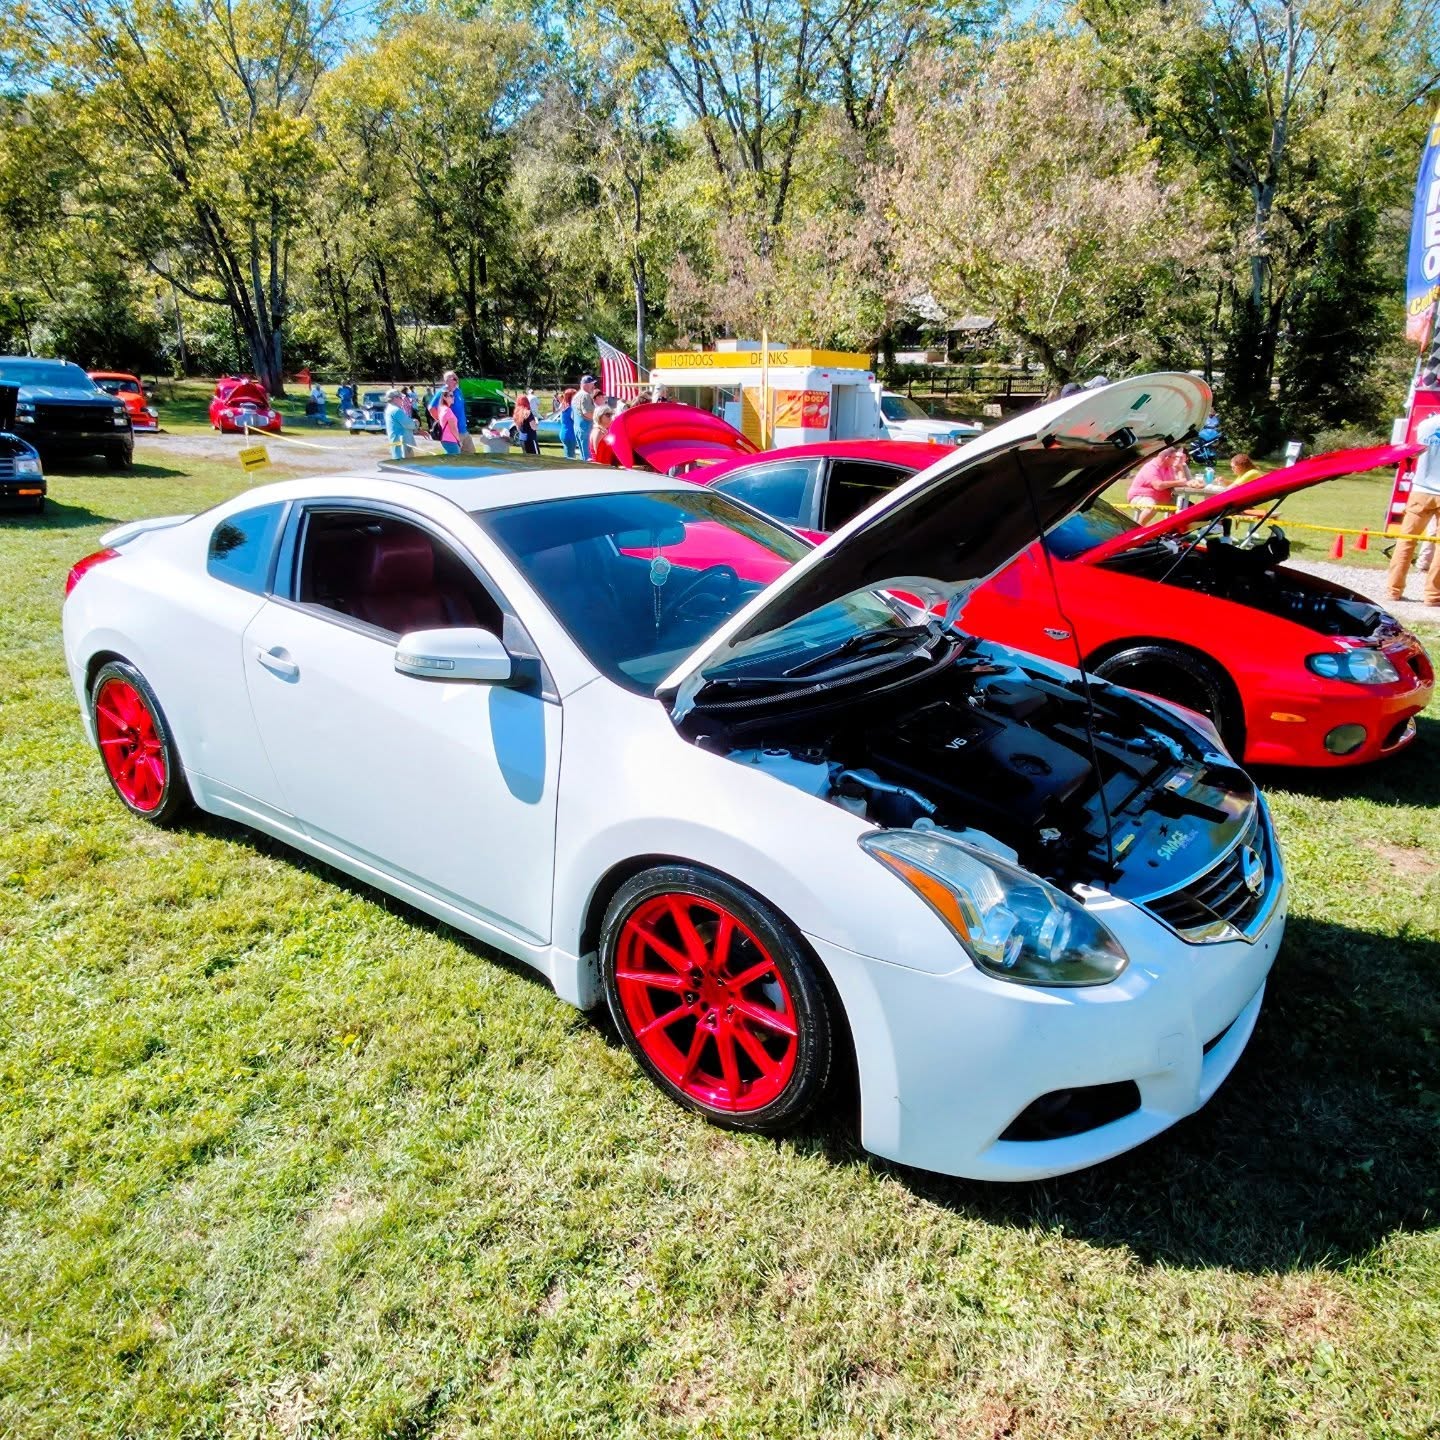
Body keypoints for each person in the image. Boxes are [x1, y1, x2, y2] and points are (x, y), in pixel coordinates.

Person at [1387, 411, 1440, 606]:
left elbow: (1415, 452)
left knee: (1406, 540)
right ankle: (1433, 596)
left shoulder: (1425, 425)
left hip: (1420, 490)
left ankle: (1393, 590)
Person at [1126, 445, 1191, 525]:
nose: (1175, 461)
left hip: (1163, 499)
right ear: (1167, 458)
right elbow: (1158, 486)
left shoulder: (1169, 467)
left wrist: (1180, 469)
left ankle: (1171, 531)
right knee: (1151, 506)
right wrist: (1180, 482)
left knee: (1186, 507)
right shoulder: (1150, 467)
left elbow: (1180, 483)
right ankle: (1137, 530)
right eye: (1174, 458)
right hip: (1141, 496)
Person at [442, 369, 475, 453]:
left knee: (471, 455)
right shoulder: (444, 392)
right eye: (452, 377)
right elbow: (432, 408)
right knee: (456, 459)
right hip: (454, 433)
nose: (455, 378)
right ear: (446, 380)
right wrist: (443, 423)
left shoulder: (458, 391)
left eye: (455, 376)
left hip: (464, 430)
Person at [384, 388, 414, 461]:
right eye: (400, 398)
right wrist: (415, 423)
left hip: (396, 441)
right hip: (402, 443)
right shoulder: (396, 410)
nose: (402, 400)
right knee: (407, 465)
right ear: (395, 398)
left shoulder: (389, 409)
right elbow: (409, 424)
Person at [574, 374, 598, 460]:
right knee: (589, 458)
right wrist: (598, 419)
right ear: (585, 385)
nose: (594, 386)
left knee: (583, 456)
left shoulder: (576, 396)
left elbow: (572, 416)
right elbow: (587, 413)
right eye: (592, 384)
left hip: (578, 429)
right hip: (586, 429)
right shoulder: (585, 395)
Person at [557, 387, 578, 459]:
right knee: (571, 457)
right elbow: (576, 420)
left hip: (564, 433)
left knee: (567, 454)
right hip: (570, 434)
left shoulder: (564, 406)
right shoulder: (571, 409)